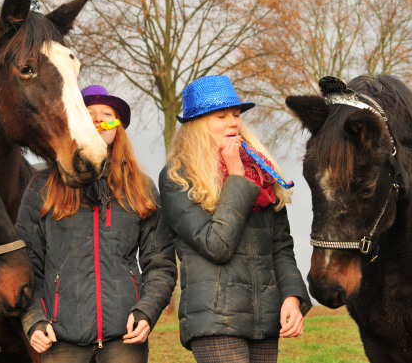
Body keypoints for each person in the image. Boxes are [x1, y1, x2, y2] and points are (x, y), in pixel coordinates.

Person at [16, 85, 177, 363]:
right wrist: (34, 318)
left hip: (125, 337)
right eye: (89, 114)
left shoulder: (140, 186)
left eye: (107, 114)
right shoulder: (41, 187)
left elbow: (160, 261)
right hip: (59, 336)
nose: (99, 120)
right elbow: (26, 261)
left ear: (118, 128)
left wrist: (147, 311)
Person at [159, 75, 312, 363]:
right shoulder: (178, 176)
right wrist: (236, 178)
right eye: (221, 116)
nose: (233, 122)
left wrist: (292, 296)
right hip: (214, 319)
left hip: (264, 317)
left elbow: (280, 246)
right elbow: (216, 245)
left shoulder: (263, 173)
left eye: (236, 114)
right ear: (197, 124)